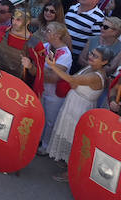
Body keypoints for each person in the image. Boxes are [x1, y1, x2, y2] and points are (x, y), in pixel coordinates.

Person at [44, 46, 113, 174]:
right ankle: (66, 162)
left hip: (81, 109)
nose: (90, 56)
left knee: (75, 139)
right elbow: (73, 81)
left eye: (95, 56)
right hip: (73, 104)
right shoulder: (89, 67)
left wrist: (53, 66)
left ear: (104, 62)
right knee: (68, 134)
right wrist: (73, 82)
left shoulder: (96, 76)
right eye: (91, 53)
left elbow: (71, 80)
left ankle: (71, 172)